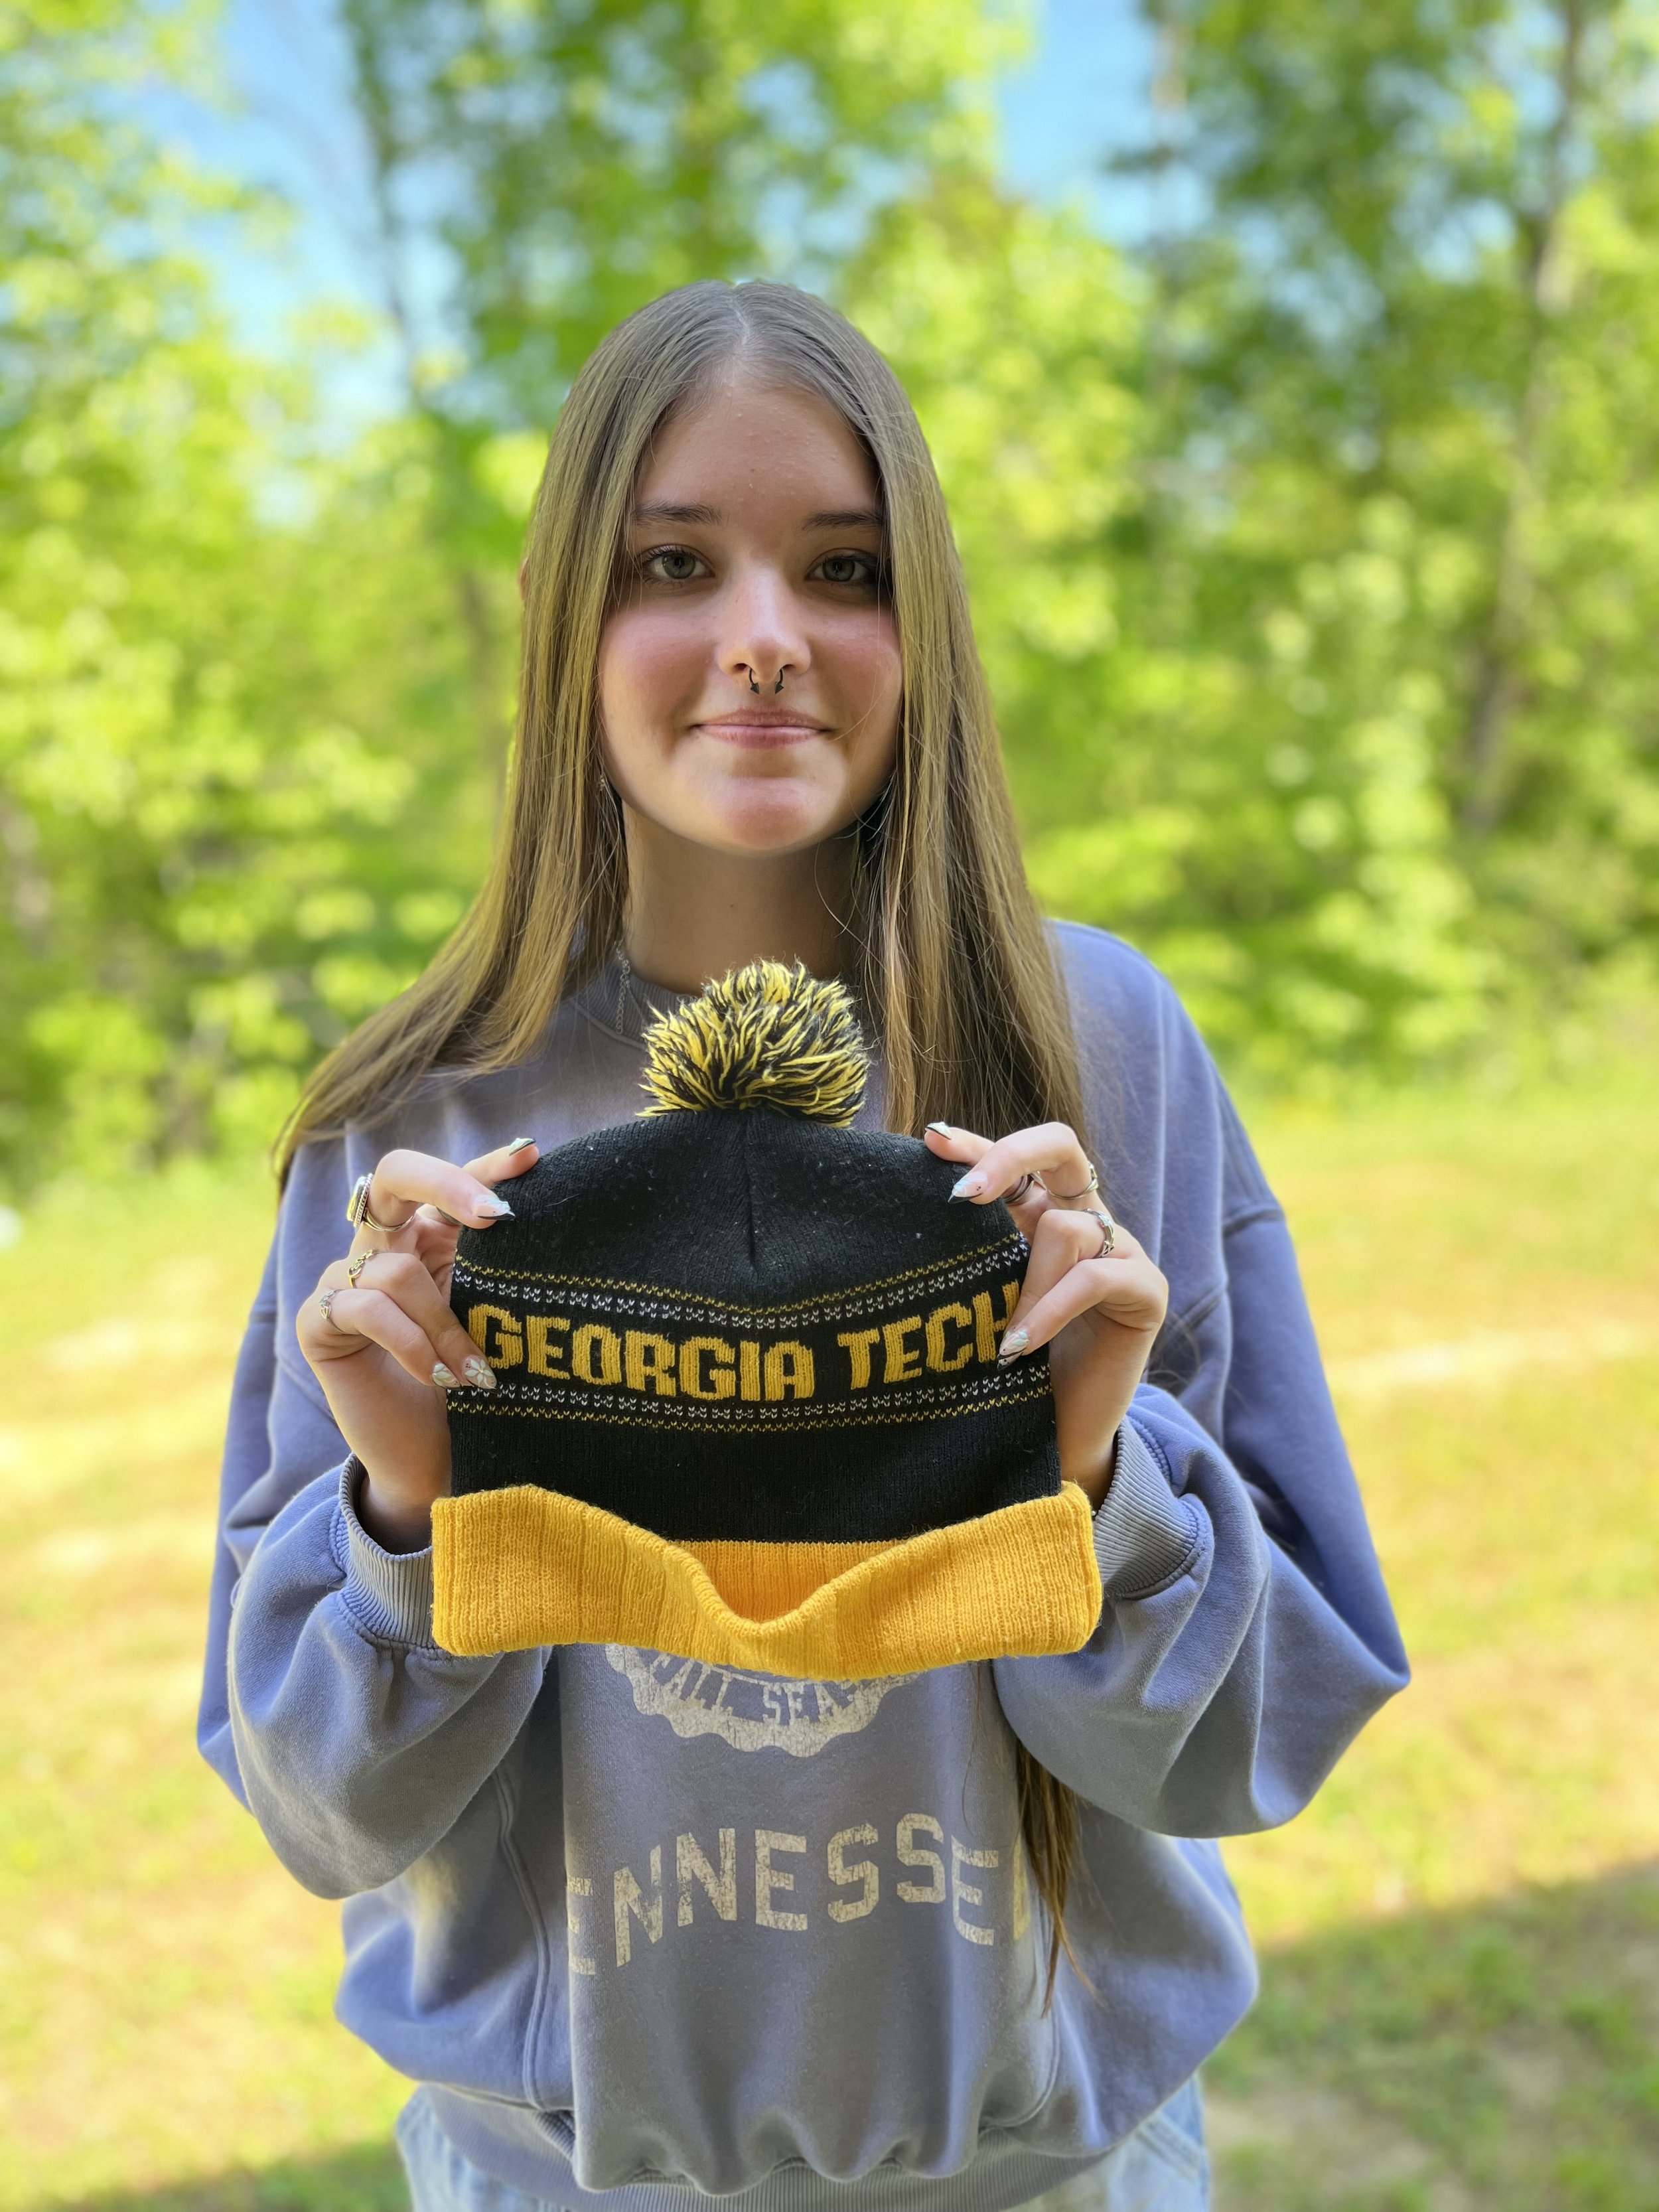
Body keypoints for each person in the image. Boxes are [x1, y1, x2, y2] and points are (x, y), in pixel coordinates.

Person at [199, 279, 1408, 2212]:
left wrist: (1090, 1485)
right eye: (673, 561)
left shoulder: (1098, 1052)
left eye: (843, 569)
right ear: (568, 624)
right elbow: (320, 1816)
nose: (763, 635)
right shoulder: (415, 1127)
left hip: (1050, 2178)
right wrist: (410, 1524)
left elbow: (1246, 1751)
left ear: (921, 626)